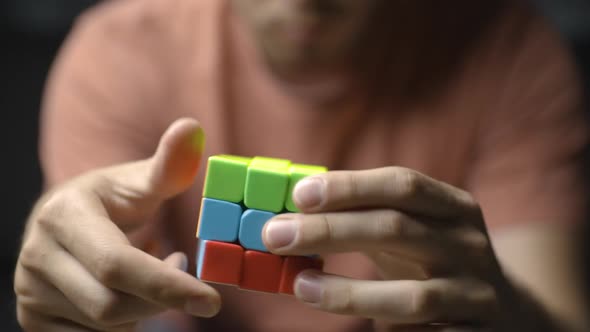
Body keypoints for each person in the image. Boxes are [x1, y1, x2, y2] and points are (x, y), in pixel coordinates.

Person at [13, 0, 590, 331]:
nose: (304, 1)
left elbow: (553, 309)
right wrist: (69, 295)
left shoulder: (512, 51)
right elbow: (111, 298)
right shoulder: (118, 51)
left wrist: (507, 317)